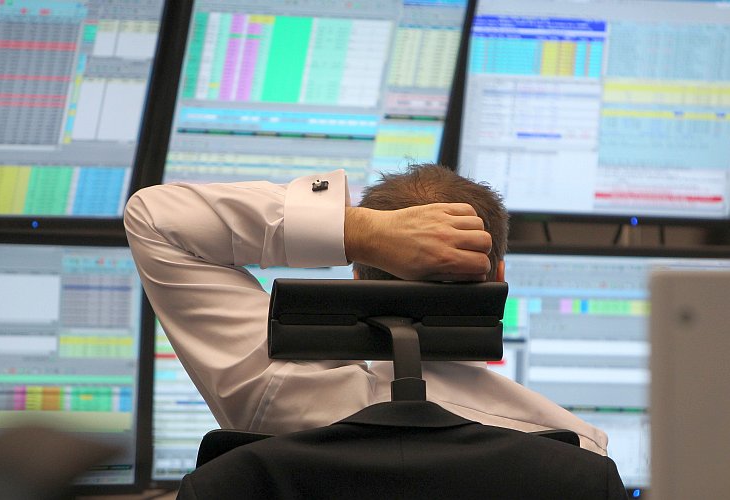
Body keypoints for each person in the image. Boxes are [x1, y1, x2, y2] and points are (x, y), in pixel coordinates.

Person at [124, 164, 608, 455]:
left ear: (357, 278)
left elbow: (156, 219)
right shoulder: (573, 452)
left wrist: (360, 232)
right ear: (498, 280)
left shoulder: (280, 401)